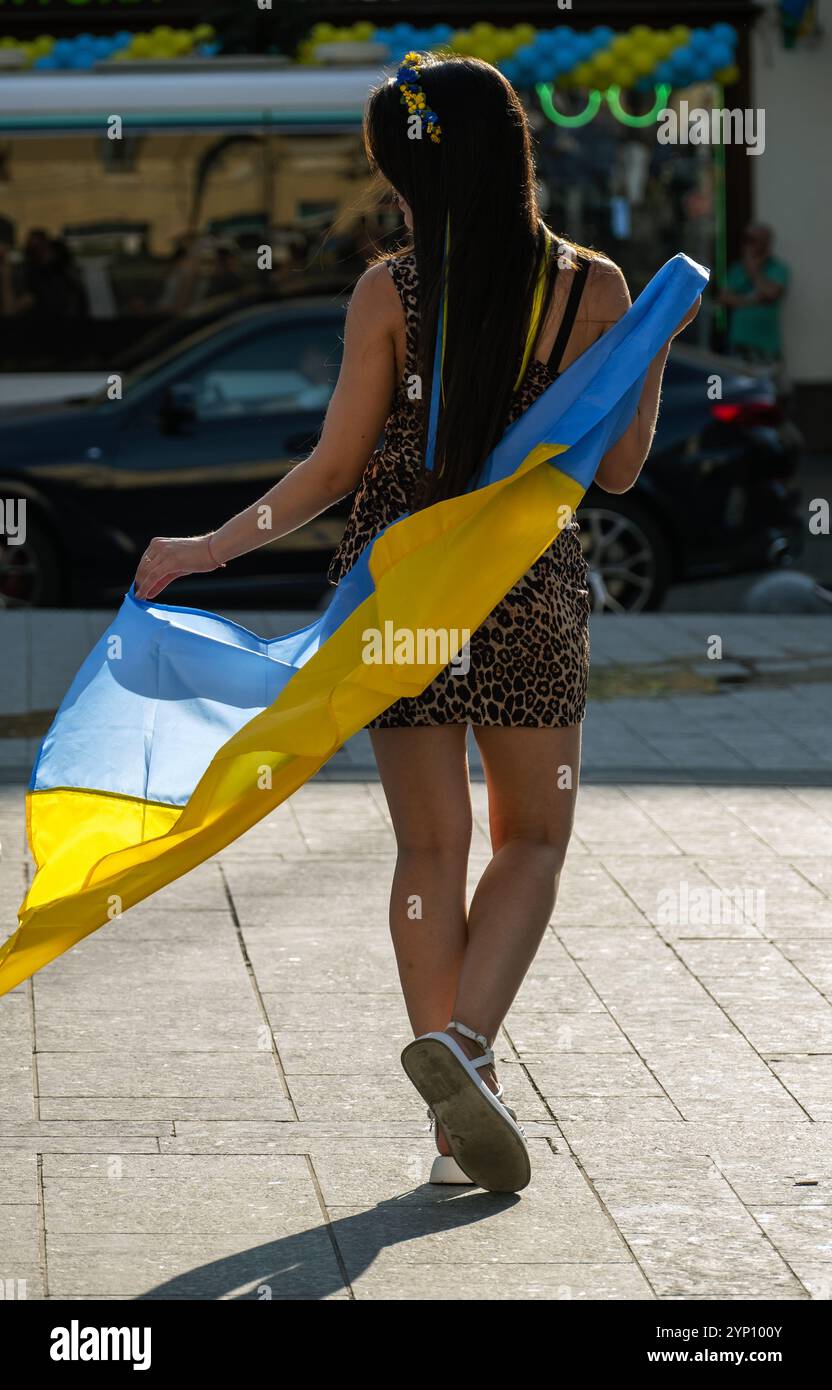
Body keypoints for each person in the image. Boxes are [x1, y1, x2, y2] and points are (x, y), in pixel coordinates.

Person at [133, 55, 698, 1193]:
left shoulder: (386, 292)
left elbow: (332, 470)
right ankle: (466, 1046)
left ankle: (451, 1133)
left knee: (427, 849)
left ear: (409, 176)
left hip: (399, 596)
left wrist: (206, 546)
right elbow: (624, 471)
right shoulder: (595, 287)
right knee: (531, 841)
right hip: (528, 585)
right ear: (515, 149)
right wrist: (646, 355)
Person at [719, 223, 789, 364]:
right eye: (745, 239)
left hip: (766, 343)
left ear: (766, 242)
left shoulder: (778, 268)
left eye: (752, 239)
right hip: (739, 341)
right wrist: (755, 300)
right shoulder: (737, 269)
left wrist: (753, 271)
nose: (747, 244)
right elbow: (724, 297)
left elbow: (771, 293)